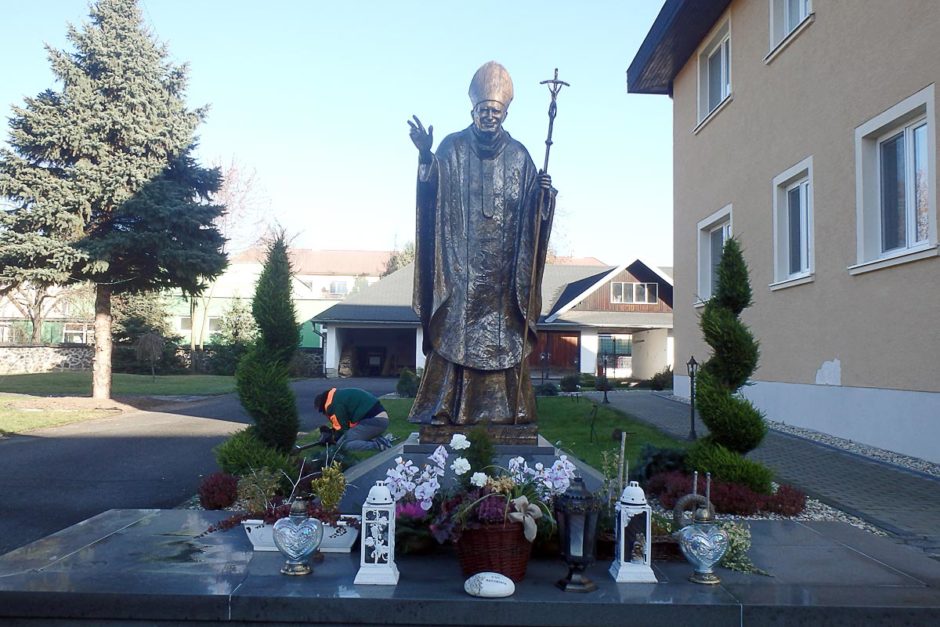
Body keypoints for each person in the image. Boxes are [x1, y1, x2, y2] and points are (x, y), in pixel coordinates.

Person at [406, 61, 556, 427]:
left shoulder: (520, 155)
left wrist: (544, 199)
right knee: (454, 332)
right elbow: (431, 193)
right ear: (472, 110)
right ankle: (443, 409)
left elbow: (534, 216)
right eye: (484, 110)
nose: (490, 116)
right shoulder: (451, 147)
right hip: (460, 266)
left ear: (505, 113)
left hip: (504, 274)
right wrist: (426, 157)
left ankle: (509, 412)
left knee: (506, 337)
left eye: (496, 110)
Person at [314, 387, 392, 451]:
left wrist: (333, 439)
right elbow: (348, 425)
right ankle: (379, 440)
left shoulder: (335, 405)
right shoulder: (338, 396)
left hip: (373, 421)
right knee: (352, 435)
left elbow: (343, 429)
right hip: (379, 419)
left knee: (342, 444)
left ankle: (378, 445)